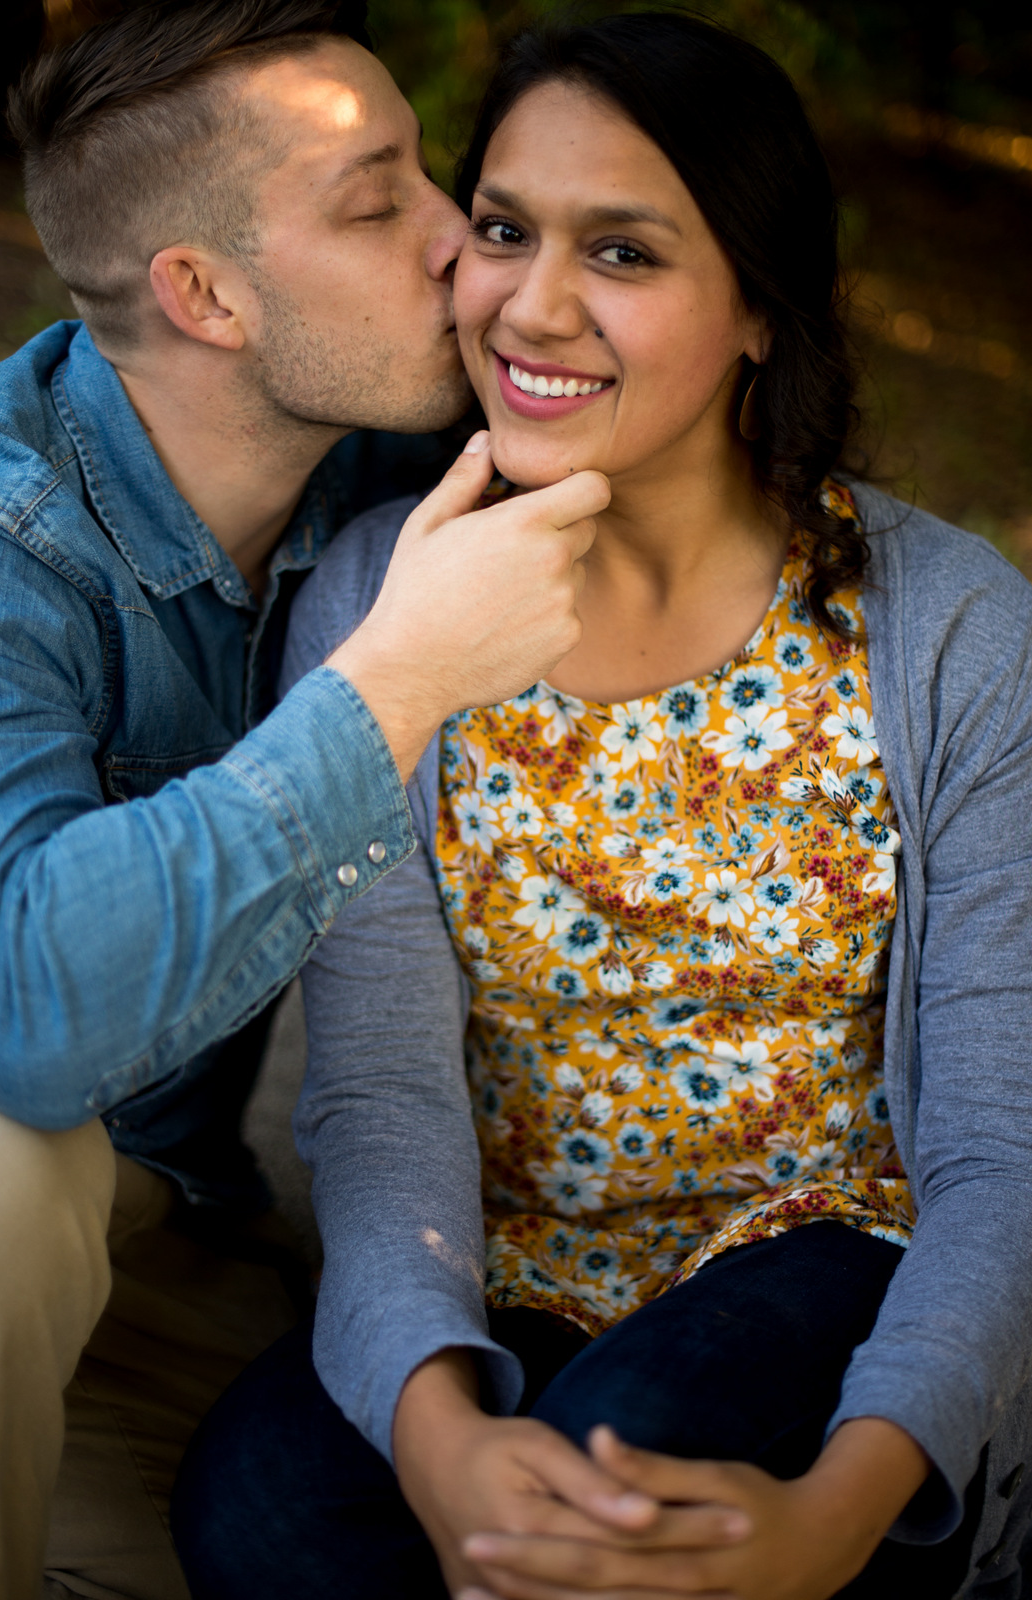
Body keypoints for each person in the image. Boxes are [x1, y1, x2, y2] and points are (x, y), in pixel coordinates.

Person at [171, 10, 1032, 1600]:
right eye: (503, 229)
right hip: (513, 1282)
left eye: (622, 253)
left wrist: (836, 1519)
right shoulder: (384, 597)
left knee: (623, 1458)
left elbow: (1000, 1149)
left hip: (831, 1262)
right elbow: (375, 1101)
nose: (532, 304)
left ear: (758, 312)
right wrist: (437, 1443)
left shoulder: (952, 630)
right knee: (259, 1514)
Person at [0, 2, 610, 1597]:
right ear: (203, 294)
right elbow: (25, 1015)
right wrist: (392, 683)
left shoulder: (383, 461)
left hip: (166, 1248)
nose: (461, 243)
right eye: (377, 202)